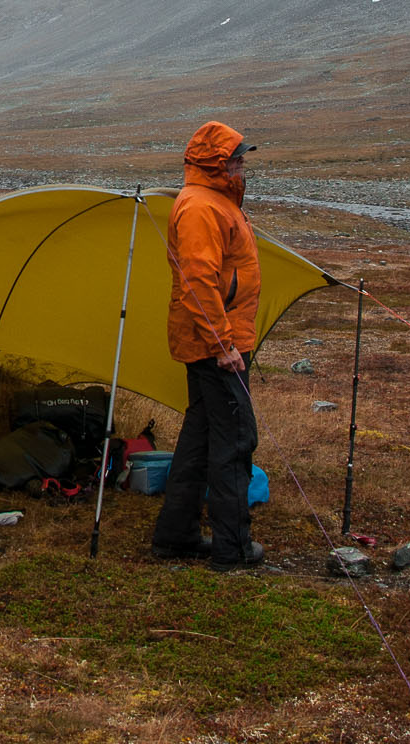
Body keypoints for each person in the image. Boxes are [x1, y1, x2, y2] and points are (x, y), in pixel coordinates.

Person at [149, 120, 266, 571]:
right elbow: (198, 281)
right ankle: (231, 549)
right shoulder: (200, 207)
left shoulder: (216, 201)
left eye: (241, 157)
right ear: (215, 162)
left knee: (200, 438)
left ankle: (175, 535)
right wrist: (223, 344)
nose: (241, 164)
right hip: (217, 345)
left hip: (214, 341)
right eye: (236, 158)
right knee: (236, 439)